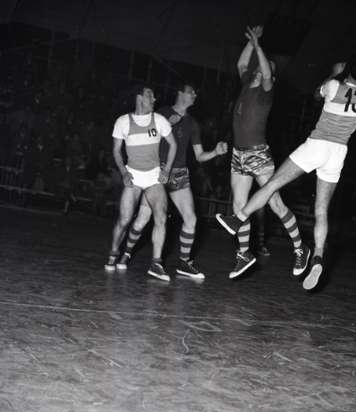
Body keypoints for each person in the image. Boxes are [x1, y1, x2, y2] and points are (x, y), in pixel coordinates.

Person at [217, 46, 356, 289]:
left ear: (348, 68)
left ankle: (239, 218)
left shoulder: (334, 86)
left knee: (272, 185)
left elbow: (316, 94)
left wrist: (334, 73)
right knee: (321, 211)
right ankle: (318, 257)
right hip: (338, 153)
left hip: (317, 145)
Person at [116, 81, 228, 279]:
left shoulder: (193, 124)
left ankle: (184, 263)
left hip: (179, 174)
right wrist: (168, 124)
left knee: (191, 219)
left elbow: (199, 155)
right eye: (191, 91)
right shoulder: (161, 113)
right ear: (180, 93)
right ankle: (126, 253)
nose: (195, 95)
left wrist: (215, 153)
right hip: (156, 172)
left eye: (195, 93)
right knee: (142, 219)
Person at [226, 25, 309, 279]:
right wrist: (251, 43)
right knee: (239, 205)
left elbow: (266, 71)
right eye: (264, 66)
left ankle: (300, 248)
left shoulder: (266, 91)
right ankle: (243, 254)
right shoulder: (246, 83)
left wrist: (259, 47)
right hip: (238, 154)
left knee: (275, 204)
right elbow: (241, 64)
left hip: (258, 154)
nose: (265, 69)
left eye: (269, 68)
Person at [104, 85, 177, 281]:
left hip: (153, 177)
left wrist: (166, 171)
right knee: (125, 219)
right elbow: (116, 151)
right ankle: (113, 252)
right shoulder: (122, 121)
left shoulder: (159, 120)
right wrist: (124, 173)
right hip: (134, 176)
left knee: (161, 217)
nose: (154, 99)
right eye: (149, 95)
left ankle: (156, 263)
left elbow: (173, 145)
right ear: (139, 98)